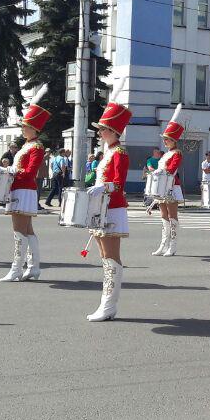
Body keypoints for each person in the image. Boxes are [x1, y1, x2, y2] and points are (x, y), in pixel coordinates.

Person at [86, 100, 132, 322]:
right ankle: (106, 303)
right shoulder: (108, 152)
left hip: (113, 208)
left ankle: (109, 305)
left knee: (111, 257)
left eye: (103, 129)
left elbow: (119, 184)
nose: (100, 133)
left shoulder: (120, 153)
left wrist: (103, 187)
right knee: (104, 257)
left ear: (113, 131)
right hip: (101, 208)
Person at [0, 85, 50, 282]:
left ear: (34, 128)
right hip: (20, 188)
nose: (22, 129)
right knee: (27, 231)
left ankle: (16, 269)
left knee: (19, 231)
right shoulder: (27, 145)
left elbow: (30, 172)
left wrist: (11, 170)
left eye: (25, 126)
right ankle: (34, 267)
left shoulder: (36, 146)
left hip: (24, 189)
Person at [149, 105, 185, 257]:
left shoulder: (177, 153)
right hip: (161, 187)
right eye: (164, 139)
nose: (165, 142)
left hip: (171, 187)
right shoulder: (166, 154)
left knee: (172, 216)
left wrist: (160, 171)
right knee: (163, 216)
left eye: (167, 140)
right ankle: (163, 244)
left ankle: (173, 245)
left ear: (174, 140)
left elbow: (171, 169)